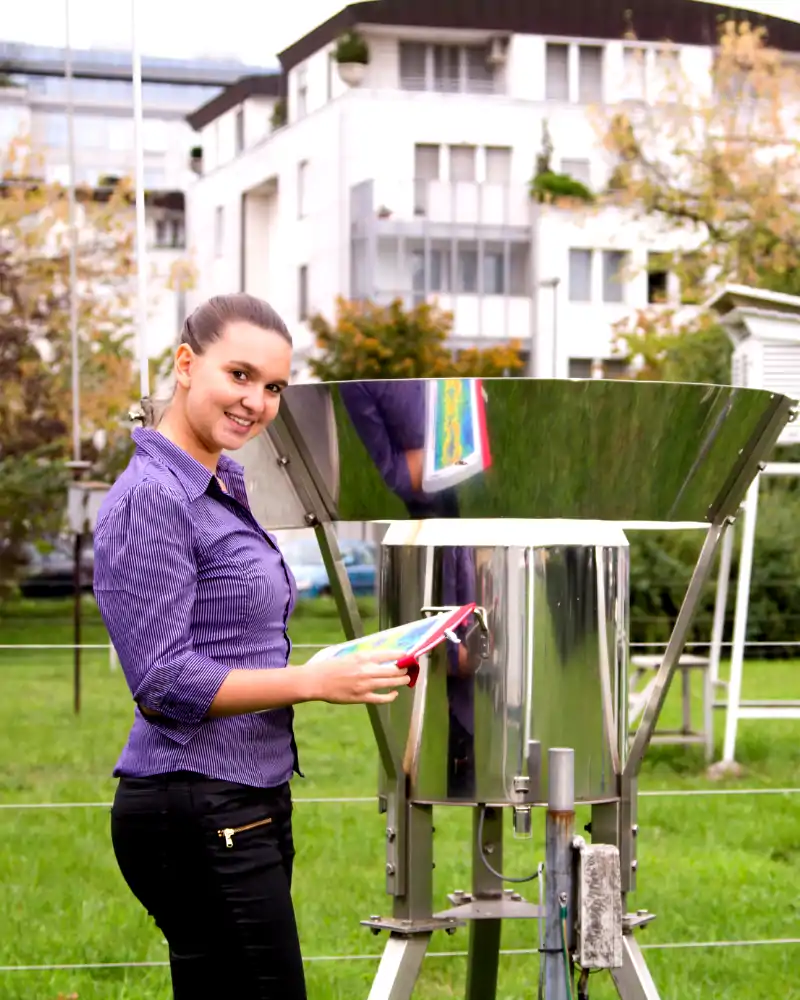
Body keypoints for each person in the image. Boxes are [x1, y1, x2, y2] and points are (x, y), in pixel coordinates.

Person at [92, 293, 409, 1000]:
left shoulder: (221, 484)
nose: (256, 401)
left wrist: (322, 669)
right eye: (239, 375)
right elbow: (166, 682)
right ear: (184, 364)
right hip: (198, 805)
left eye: (272, 387)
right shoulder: (156, 498)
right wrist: (311, 682)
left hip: (244, 799)